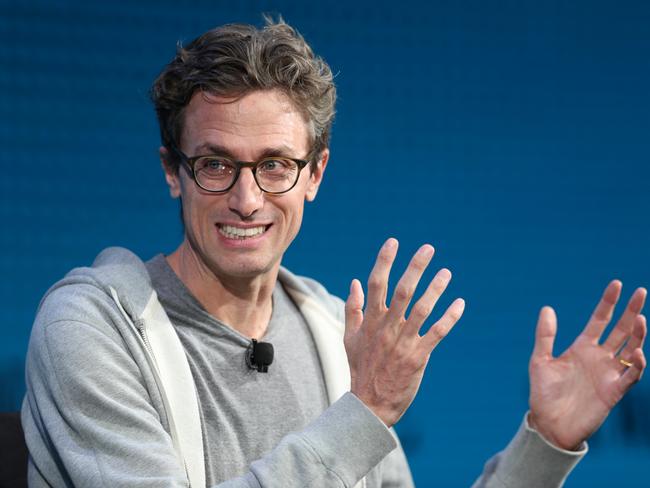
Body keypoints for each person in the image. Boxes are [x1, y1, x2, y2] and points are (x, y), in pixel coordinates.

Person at [21, 17, 646, 488]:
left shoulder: (330, 332)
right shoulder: (91, 329)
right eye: (215, 164)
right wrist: (364, 411)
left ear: (315, 175)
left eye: (275, 166)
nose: (246, 199)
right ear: (172, 171)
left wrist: (544, 443)